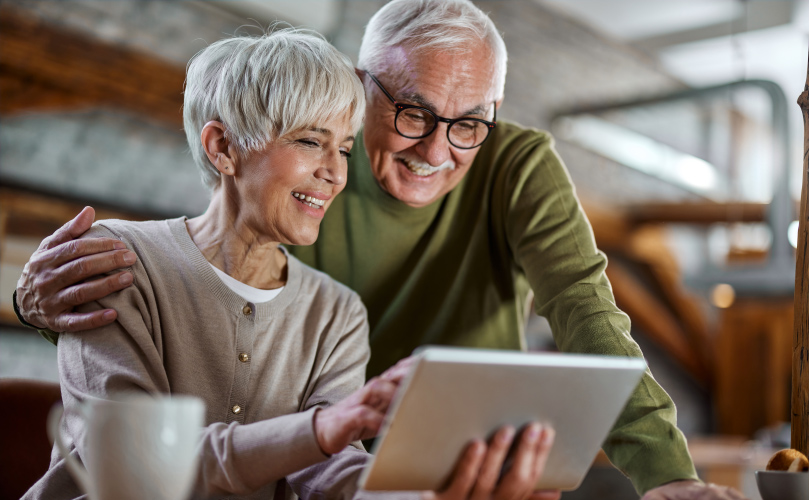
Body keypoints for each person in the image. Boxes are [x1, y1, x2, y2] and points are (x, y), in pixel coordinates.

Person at [14, 1, 746, 499]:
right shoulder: (299, 179)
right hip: (324, 450)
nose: (438, 148)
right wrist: (37, 300)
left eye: (471, 121)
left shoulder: (504, 170)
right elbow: (200, 271)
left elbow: (588, 314)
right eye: (413, 111)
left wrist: (663, 474)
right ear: (362, 89)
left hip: (437, 457)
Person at [22, 29, 557, 500]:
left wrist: (428, 495)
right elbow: (135, 470)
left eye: (344, 149)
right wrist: (321, 428)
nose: (335, 174)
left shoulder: (337, 311)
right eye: (309, 141)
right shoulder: (115, 260)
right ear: (224, 147)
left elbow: (330, 473)